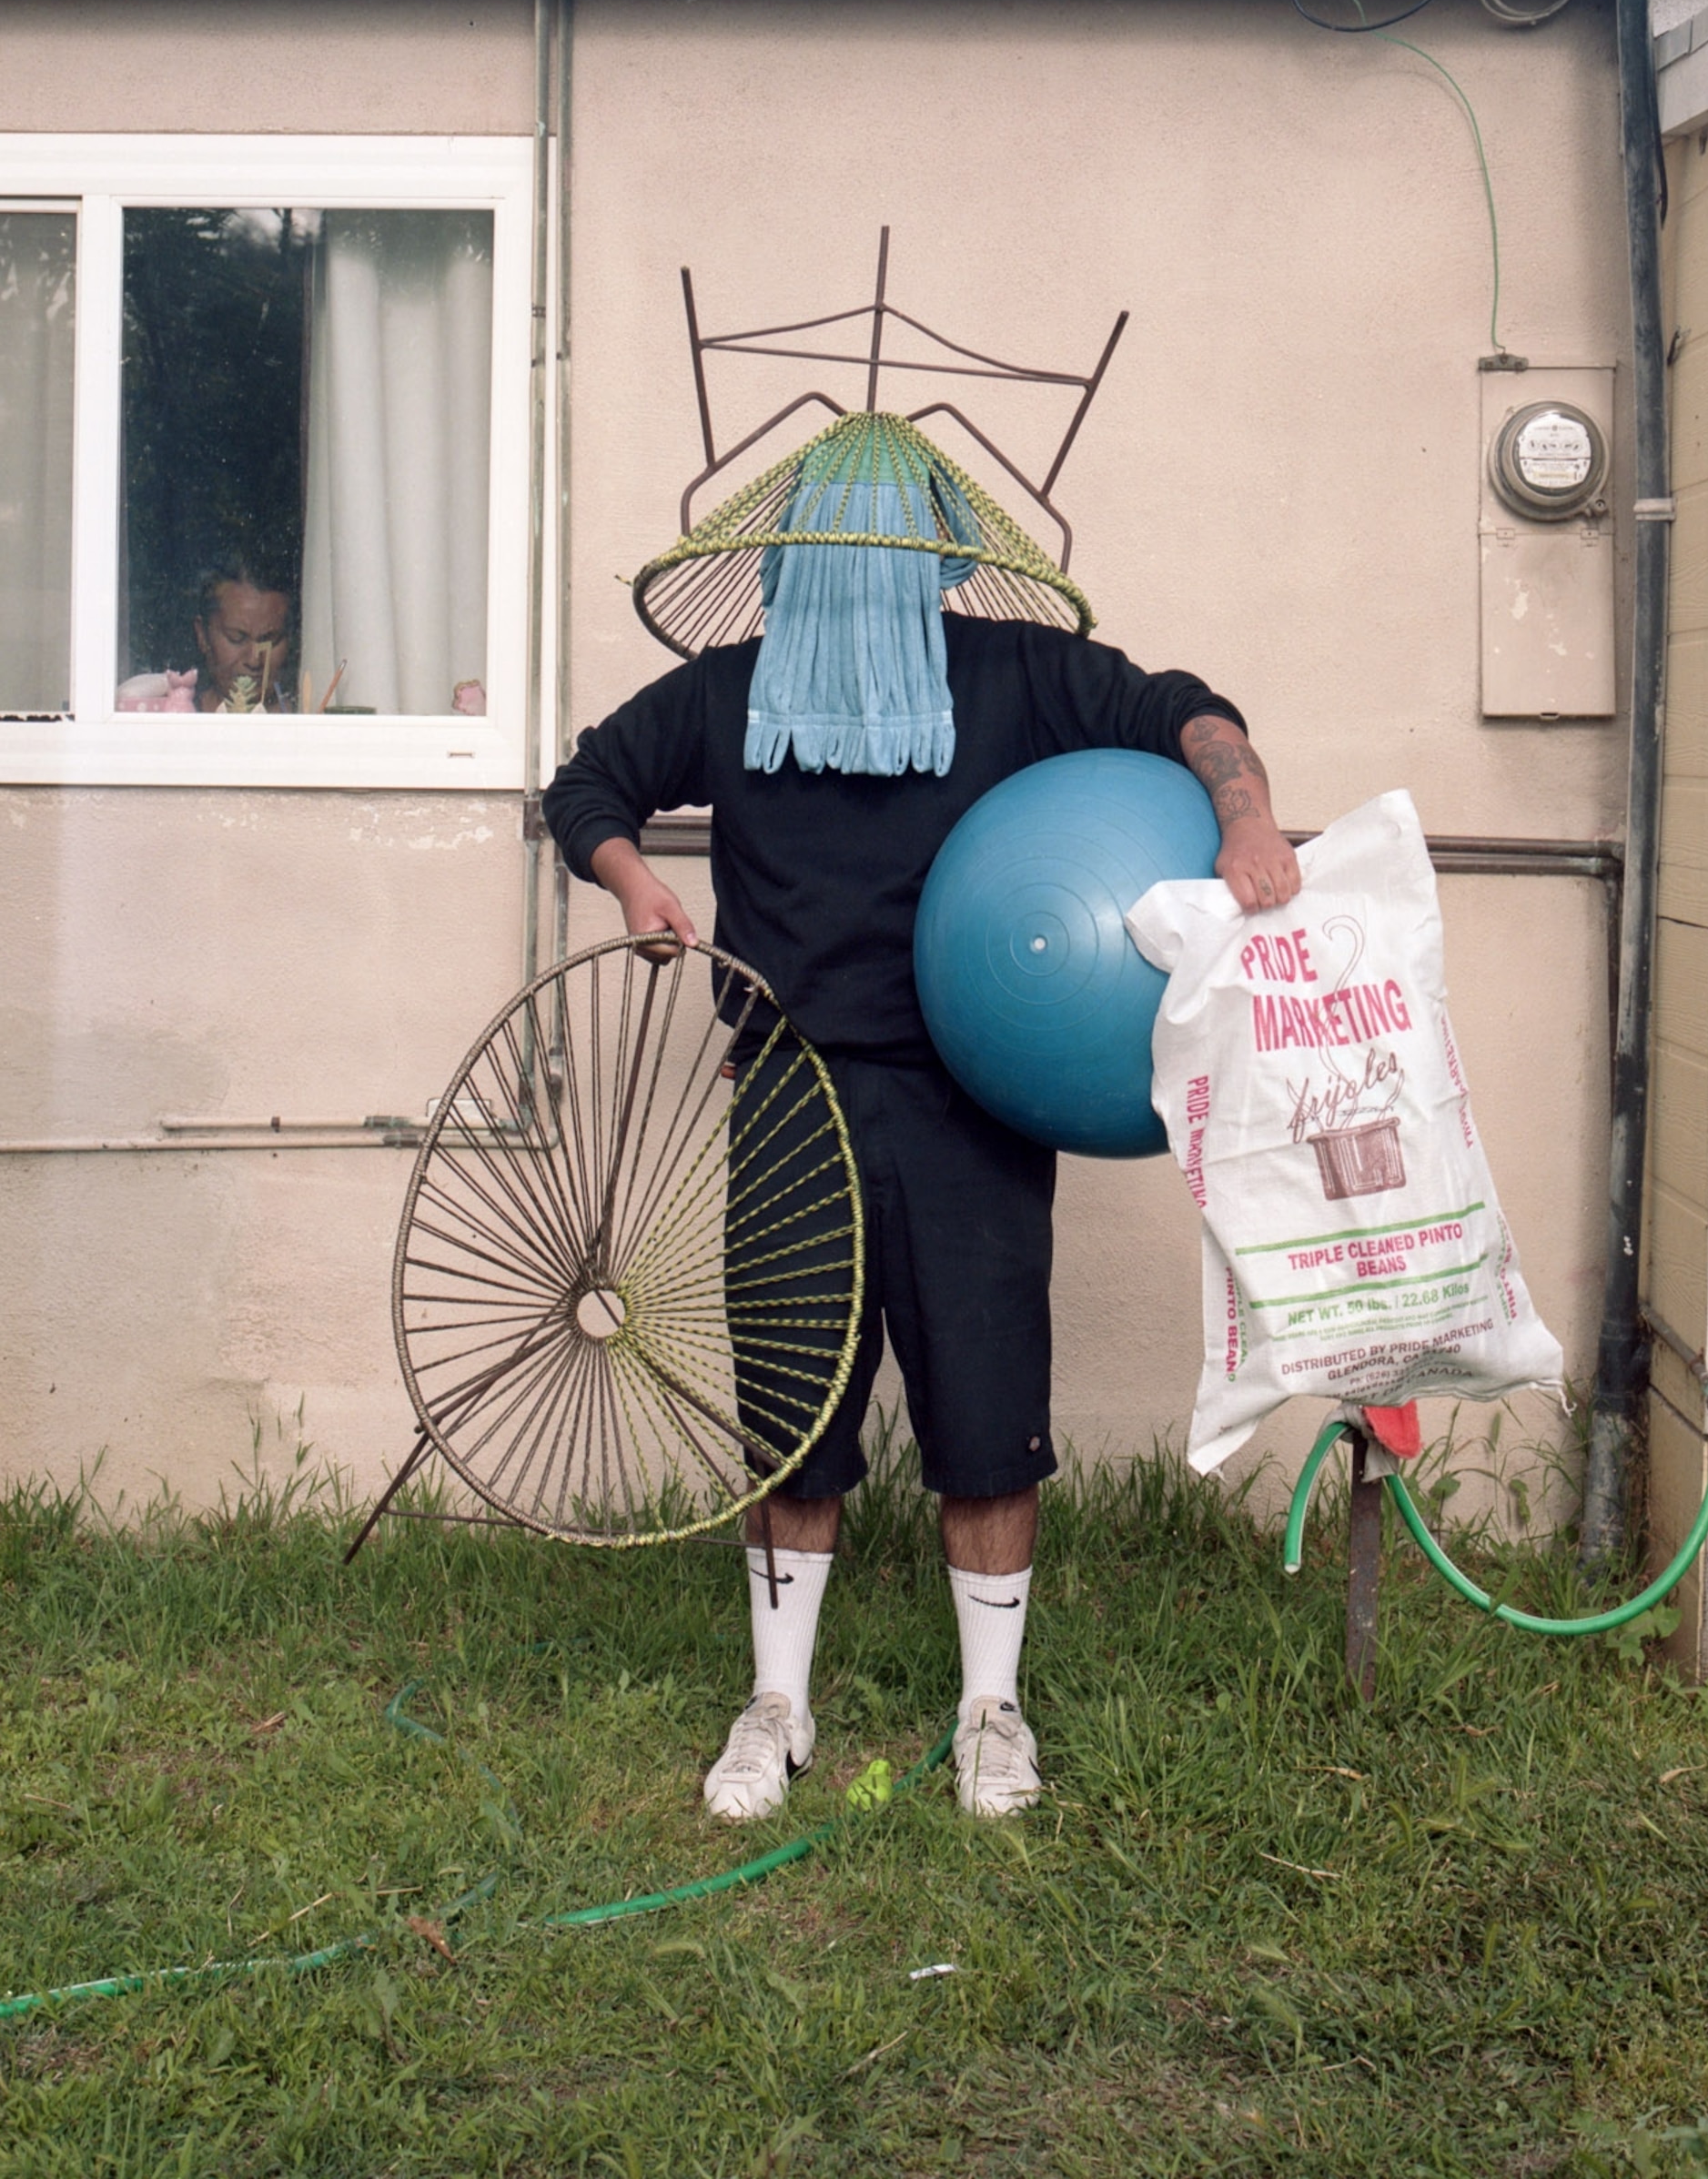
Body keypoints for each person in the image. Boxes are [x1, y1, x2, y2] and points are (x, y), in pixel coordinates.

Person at [542, 419, 1299, 1824]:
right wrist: (635, 880)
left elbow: (1186, 711)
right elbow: (582, 783)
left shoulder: (1015, 676)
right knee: (792, 1410)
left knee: (987, 1409)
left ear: (938, 568)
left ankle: (989, 1709)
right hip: (788, 1090)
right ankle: (776, 1702)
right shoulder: (734, 695)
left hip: (977, 1098)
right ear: (787, 564)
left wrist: (1245, 816)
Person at [191, 559, 294, 712]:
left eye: (270, 641)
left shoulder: (308, 717)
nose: (254, 661)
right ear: (202, 635)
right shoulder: (175, 719)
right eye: (236, 638)